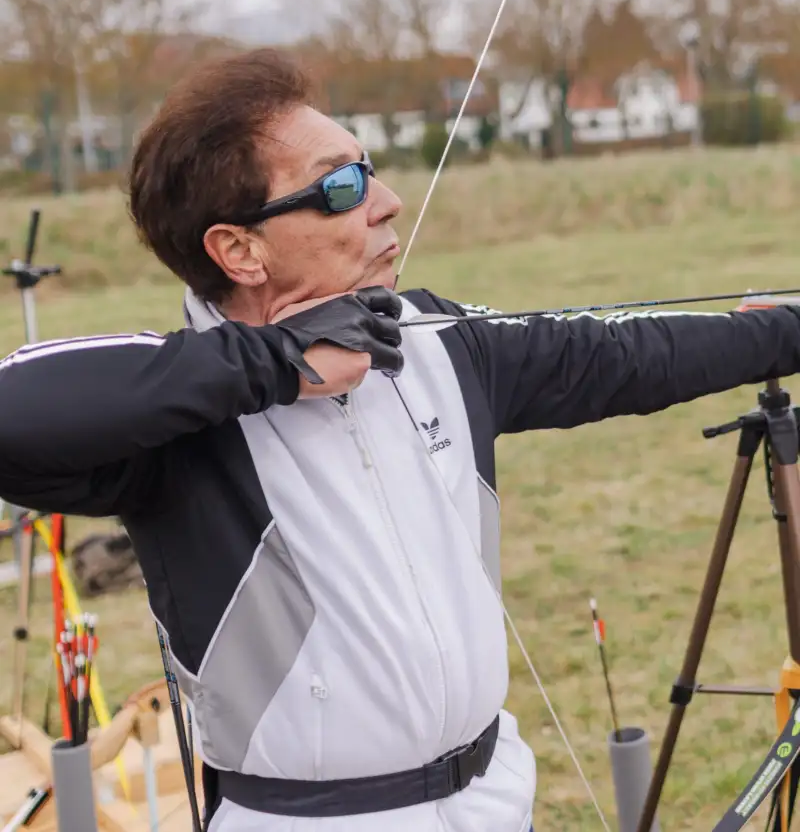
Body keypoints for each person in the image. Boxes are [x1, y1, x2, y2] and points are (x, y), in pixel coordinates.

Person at [2, 48, 800, 832]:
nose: (385, 200)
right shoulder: (173, 420)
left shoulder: (432, 339)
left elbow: (622, 353)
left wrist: (786, 333)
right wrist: (277, 363)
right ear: (239, 249)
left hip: (492, 795)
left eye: (369, 168)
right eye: (341, 186)